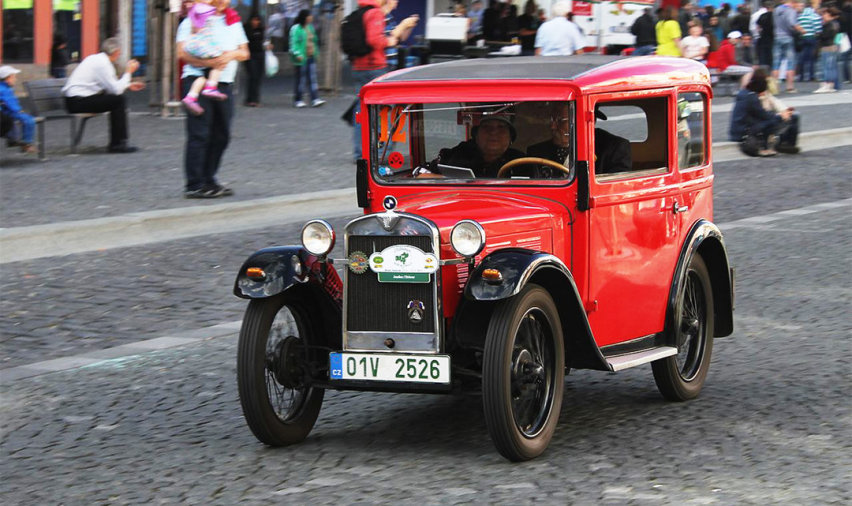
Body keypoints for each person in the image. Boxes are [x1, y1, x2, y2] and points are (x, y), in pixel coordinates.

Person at [177, 0, 249, 198]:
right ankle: (194, 183)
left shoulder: (233, 21)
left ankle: (209, 178)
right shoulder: (194, 18)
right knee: (199, 133)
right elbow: (182, 53)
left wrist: (230, 55)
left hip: (224, 83)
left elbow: (244, 52)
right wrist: (208, 62)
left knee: (221, 134)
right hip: (197, 80)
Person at [349, 0, 418, 161]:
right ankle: (382, 153)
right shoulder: (376, 14)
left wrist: (404, 28)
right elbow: (377, 40)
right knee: (387, 111)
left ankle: (363, 152)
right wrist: (393, 37)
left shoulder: (366, 13)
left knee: (364, 110)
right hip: (377, 68)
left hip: (362, 66)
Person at [61, 38, 146, 154]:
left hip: (74, 100)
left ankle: (119, 142)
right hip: (78, 102)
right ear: (116, 52)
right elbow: (116, 90)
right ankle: (118, 143)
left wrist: (127, 85)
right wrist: (128, 72)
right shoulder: (103, 64)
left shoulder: (96, 59)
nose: (120, 54)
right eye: (119, 52)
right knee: (118, 101)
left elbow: (111, 87)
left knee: (115, 100)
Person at [179, 0, 231, 116]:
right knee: (220, 61)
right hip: (200, 45)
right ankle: (211, 87)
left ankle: (191, 97)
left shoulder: (192, 11)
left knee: (201, 77)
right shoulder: (202, 9)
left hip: (193, 45)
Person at [729, 69, 796, 156]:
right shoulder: (751, 97)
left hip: (739, 129)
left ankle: (771, 145)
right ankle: (765, 147)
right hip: (744, 132)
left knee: (772, 120)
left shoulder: (745, 93)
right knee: (772, 122)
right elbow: (764, 115)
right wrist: (781, 115)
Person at [434, 115, 525, 178]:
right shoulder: (458, 155)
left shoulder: (523, 162)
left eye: (501, 127)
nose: (493, 132)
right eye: (486, 127)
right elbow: (423, 174)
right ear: (476, 135)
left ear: (510, 137)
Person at [290, 9, 325, 108]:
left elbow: (314, 40)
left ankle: (315, 98)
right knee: (301, 79)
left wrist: (316, 52)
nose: (311, 18)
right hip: (301, 58)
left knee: (312, 79)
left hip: (310, 56)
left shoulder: (310, 27)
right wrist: (297, 54)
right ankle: (298, 99)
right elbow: (293, 43)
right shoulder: (296, 28)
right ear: (304, 17)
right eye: (309, 16)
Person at [526, 102, 573, 177]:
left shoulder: (590, 151)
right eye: (551, 120)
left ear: (574, 122)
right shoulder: (536, 153)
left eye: (560, 120)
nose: (553, 127)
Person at [0, 65, 36, 153]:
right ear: (7, 79)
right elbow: (9, 102)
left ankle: (15, 140)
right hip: (8, 112)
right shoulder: (4, 90)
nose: (15, 79)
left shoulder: (4, 88)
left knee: (19, 121)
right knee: (29, 120)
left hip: (5, 113)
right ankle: (27, 143)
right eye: (14, 77)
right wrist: (18, 110)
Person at [773, 0, 805, 92]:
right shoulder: (791, 11)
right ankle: (790, 87)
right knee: (790, 63)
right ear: (792, 2)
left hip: (777, 37)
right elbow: (792, 23)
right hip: (787, 37)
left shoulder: (777, 10)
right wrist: (802, 30)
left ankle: (774, 87)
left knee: (776, 63)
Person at [815, 7, 842, 93]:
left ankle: (827, 84)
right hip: (833, 46)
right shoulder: (836, 23)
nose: (823, 16)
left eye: (825, 14)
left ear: (829, 15)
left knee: (826, 67)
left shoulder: (828, 24)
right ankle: (832, 85)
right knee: (832, 67)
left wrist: (818, 35)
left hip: (827, 47)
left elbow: (825, 36)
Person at [243, 12, 265, 107]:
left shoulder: (260, 30)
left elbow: (262, 41)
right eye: (254, 20)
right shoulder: (247, 30)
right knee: (253, 76)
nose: (256, 22)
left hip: (259, 55)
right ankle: (250, 99)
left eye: (257, 20)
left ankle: (255, 98)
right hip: (250, 55)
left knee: (258, 77)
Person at [796, 0, 822, 82]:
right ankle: (811, 75)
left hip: (802, 38)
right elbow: (817, 29)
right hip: (812, 37)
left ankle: (801, 76)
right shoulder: (815, 16)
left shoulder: (800, 16)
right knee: (811, 58)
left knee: (802, 57)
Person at [755, 1, 775, 68]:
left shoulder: (762, 16)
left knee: (763, 57)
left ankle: (764, 70)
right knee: (771, 56)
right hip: (772, 38)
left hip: (763, 38)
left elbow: (758, 27)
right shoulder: (775, 16)